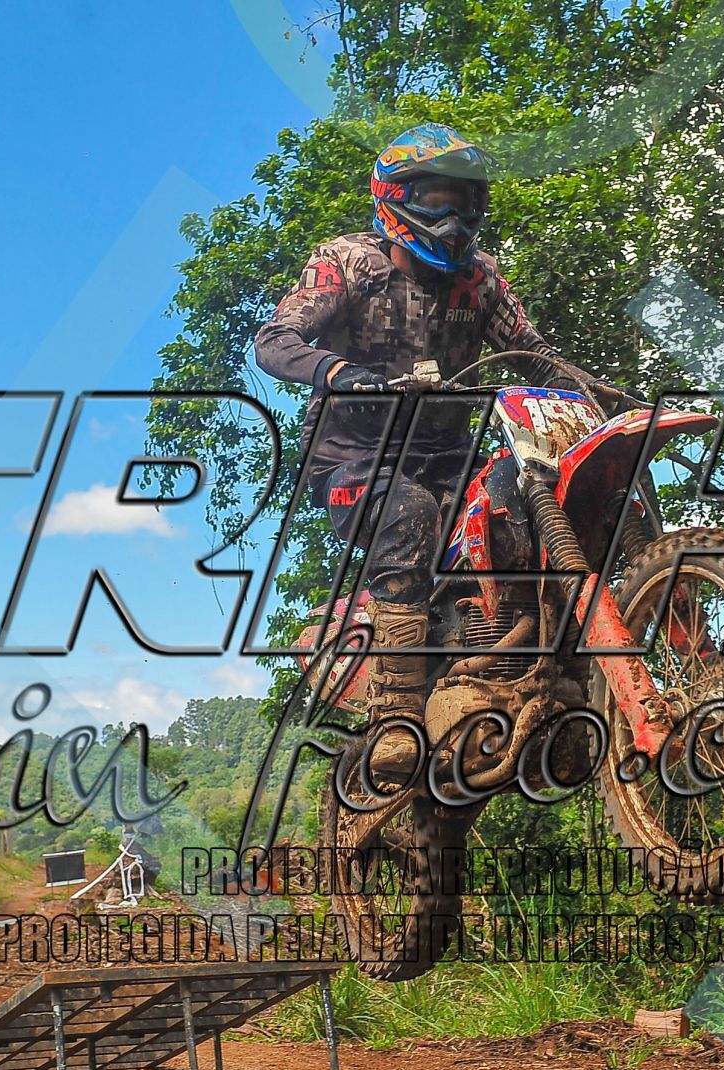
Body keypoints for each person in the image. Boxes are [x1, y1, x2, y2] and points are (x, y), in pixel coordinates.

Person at [255, 123, 608, 775]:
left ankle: (531, 669)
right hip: (352, 456)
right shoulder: (348, 262)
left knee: (522, 505)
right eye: (439, 201)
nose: (454, 219)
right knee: (408, 513)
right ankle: (395, 714)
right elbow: (276, 339)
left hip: (448, 452)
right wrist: (340, 373)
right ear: (397, 198)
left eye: (466, 203)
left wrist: (595, 389)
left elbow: (532, 352)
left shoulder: (480, 278)